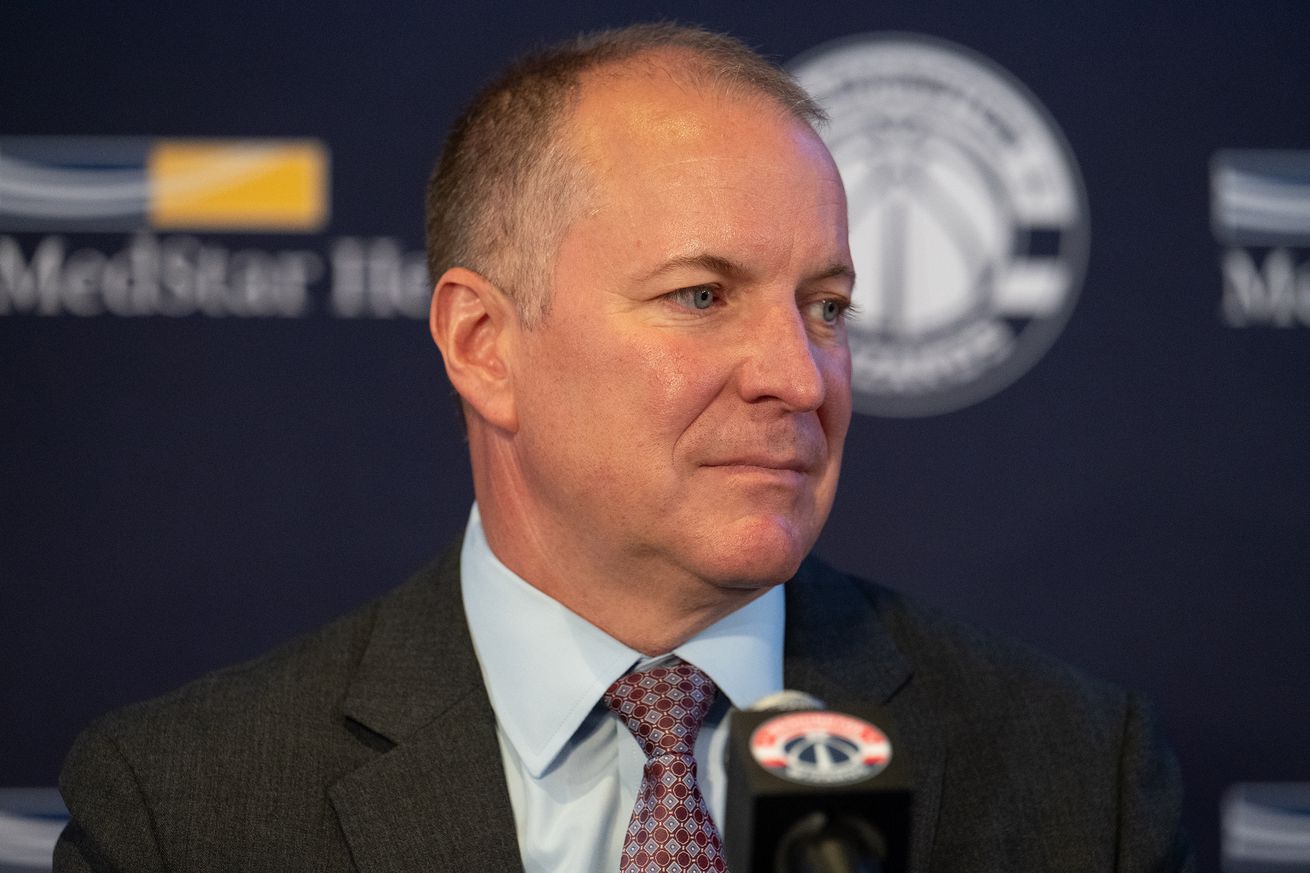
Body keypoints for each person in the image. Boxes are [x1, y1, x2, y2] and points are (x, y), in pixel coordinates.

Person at [55, 23, 1194, 873]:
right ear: (482, 343)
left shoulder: (1072, 777)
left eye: (827, 306)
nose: (799, 377)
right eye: (701, 296)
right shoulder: (186, 809)